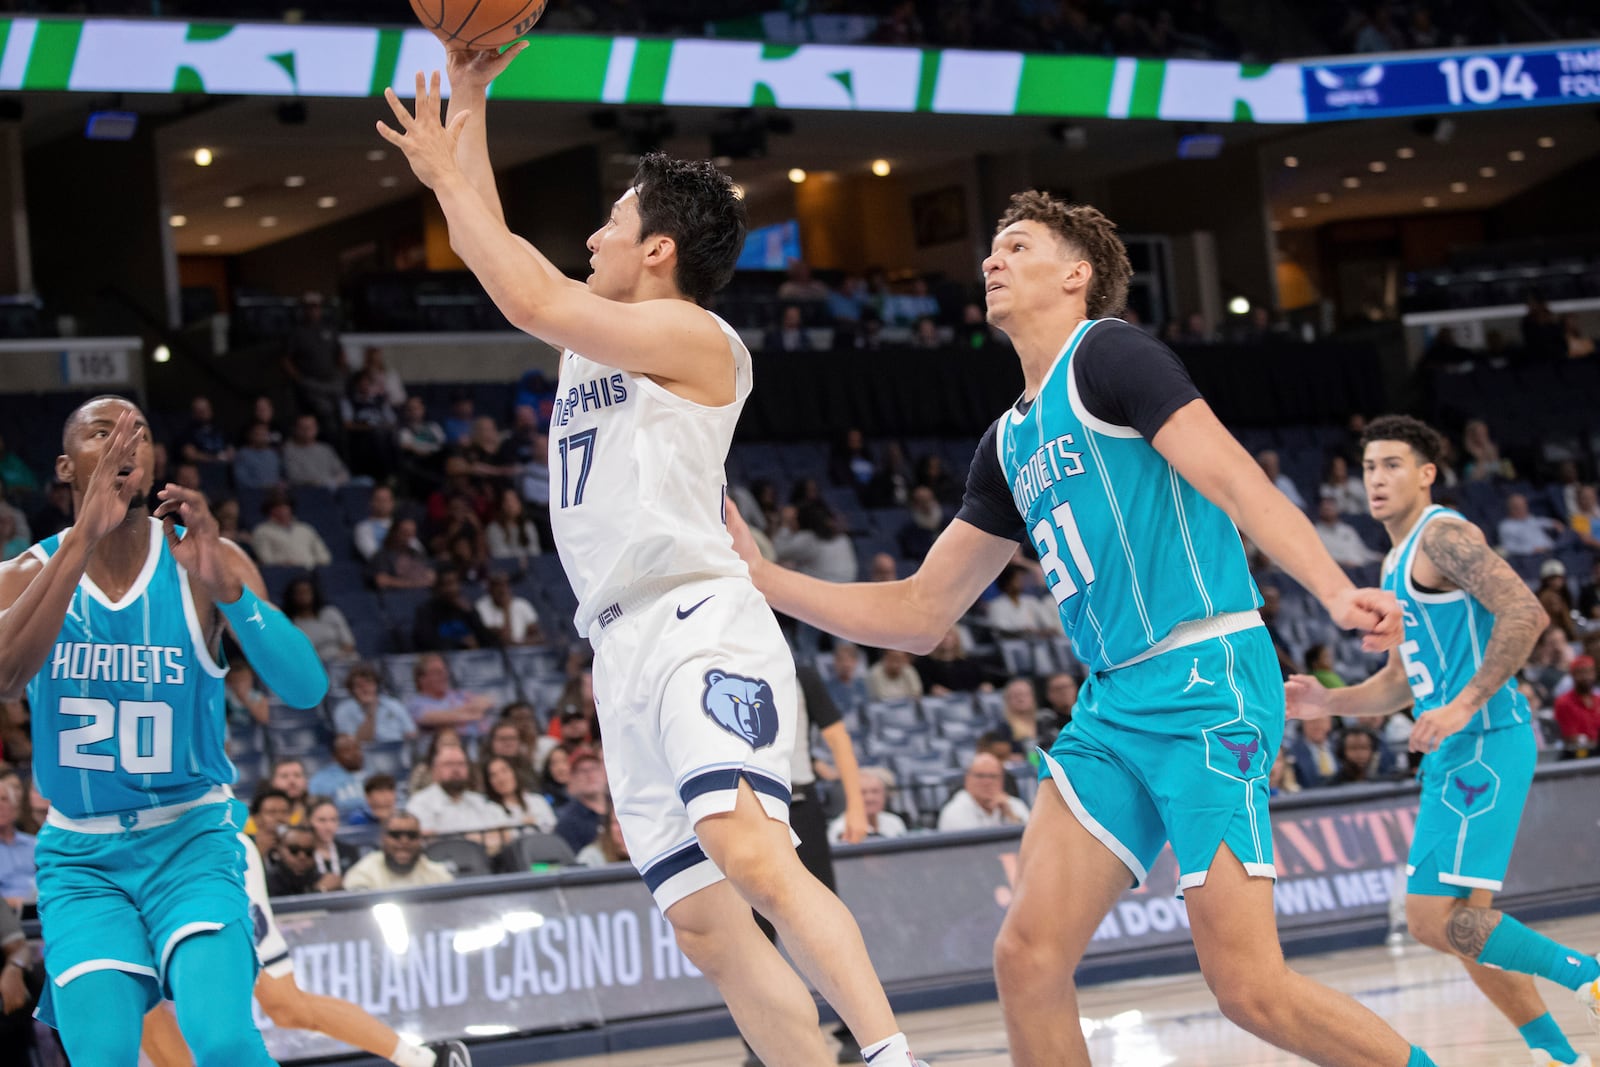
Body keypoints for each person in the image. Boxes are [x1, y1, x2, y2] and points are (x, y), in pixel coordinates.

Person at [726, 192, 1440, 1067]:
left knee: (1249, 989)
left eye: (1016, 245)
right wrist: (761, 577)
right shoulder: (1006, 441)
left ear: (1078, 274)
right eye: (989, 248)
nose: (991, 260)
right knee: (1026, 958)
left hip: (1205, 678)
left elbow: (1235, 479)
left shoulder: (1108, 353)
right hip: (1112, 708)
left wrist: (1333, 590)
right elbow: (919, 613)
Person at [381, 51, 926, 1067]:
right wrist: (471, 96)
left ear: (660, 250)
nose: (590, 237)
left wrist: (448, 170)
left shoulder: (695, 334)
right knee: (706, 926)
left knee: (753, 852)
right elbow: (497, 250)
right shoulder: (604, 332)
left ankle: (894, 1055)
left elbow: (525, 290)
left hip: (695, 620)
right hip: (617, 646)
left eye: (610, 224)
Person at [0, 396, 329, 1065]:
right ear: (67, 466)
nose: (125, 444)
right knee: (105, 1056)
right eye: (103, 432)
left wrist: (232, 594)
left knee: (226, 1038)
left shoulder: (205, 561)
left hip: (191, 840)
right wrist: (81, 540)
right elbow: (6, 676)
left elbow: (306, 688)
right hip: (82, 860)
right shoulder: (23, 574)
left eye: (141, 434)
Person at [1286, 414, 1600, 1067]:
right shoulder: (1396, 561)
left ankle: (1587, 973)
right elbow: (1403, 680)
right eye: (1370, 466)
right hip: (1459, 747)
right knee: (1467, 928)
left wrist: (1461, 704)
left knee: (1432, 919)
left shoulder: (1444, 535)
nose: (1376, 477)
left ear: (1427, 474)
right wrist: (1328, 700)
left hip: (1484, 737)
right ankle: (1557, 1054)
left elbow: (1526, 610)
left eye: (1392, 464)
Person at [141, 825, 470, 1067]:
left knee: (283, 1004)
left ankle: (425, 1061)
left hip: (205, 856)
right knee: (143, 998)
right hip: (118, 862)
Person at [343, 811, 454, 891]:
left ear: (420, 839)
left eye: (412, 835)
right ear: (383, 838)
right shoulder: (362, 874)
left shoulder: (437, 875)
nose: (404, 841)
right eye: (396, 835)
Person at [937, 753, 1029, 830]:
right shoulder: (954, 811)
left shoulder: (1015, 805)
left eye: (993, 776)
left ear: (1002, 781)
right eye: (980, 776)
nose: (987, 782)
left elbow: (1033, 841)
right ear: (967, 780)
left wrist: (1010, 816)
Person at [333, 661, 417, 744]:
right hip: (366, 754)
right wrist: (371, 713)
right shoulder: (343, 710)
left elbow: (411, 733)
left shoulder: (393, 704)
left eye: (368, 683)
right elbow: (355, 745)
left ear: (376, 685)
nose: (365, 688)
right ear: (352, 689)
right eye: (359, 685)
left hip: (397, 752)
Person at [283, 574, 356, 660]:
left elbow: (349, 643)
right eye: (299, 593)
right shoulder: (291, 624)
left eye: (307, 592)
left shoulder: (331, 612)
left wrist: (339, 657)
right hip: (314, 664)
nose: (303, 596)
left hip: (344, 660)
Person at [482, 754, 557, 834]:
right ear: (489, 782)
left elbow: (554, 828)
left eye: (504, 771)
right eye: (494, 775)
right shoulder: (489, 810)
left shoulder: (537, 800)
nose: (501, 778)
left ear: (514, 772)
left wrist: (535, 822)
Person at [829, 766, 907, 843]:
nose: (870, 798)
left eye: (875, 791)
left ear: (885, 794)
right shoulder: (840, 827)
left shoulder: (894, 822)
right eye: (863, 792)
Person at [308, 735, 369, 820]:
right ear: (335, 756)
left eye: (357, 748)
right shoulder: (321, 781)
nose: (356, 754)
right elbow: (317, 812)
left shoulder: (371, 775)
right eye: (348, 750)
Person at [476, 570, 542, 646]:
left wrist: (518, 644)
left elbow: (539, 637)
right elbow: (504, 640)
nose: (502, 589)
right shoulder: (481, 607)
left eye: (505, 585)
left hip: (523, 652)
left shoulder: (522, 604)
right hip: (494, 655)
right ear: (489, 589)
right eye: (497, 585)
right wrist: (506, 608)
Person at [306, 797, 362, 882]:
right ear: (308, 821)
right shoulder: (301, 855)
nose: (329, 827)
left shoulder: (350, 852)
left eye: (333, 820)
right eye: (322, 820)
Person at [1552, 655, 1599, 752]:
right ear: (1573, 675)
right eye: (1581, 673)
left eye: (1590, 672)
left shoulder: (1598, 700)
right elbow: (1570, 737)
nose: (1587, 677)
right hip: (1577, 754)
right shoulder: (1563, 702)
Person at [0, 779, 34, 910]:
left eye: (4, 799)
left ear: (16, 807)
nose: (0, 805)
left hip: (42, 908)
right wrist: (13, 903)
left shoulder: (35, 843)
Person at [352, 483, 397, 561]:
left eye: (386, 500)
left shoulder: (401, 526)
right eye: (379, 500)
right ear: (371, 502)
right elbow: (373, 555)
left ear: (392, 503)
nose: (383, 504)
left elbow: (418, 552)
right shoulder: (363, 528)